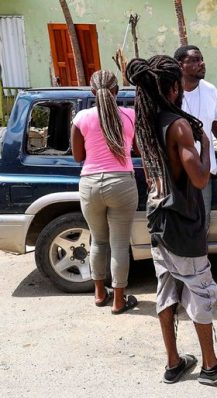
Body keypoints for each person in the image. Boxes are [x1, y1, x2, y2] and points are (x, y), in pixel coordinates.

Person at [126, 55, 217, 390]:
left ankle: (174, 361)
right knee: (201, 292)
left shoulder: (147, 121)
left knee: (166, 291)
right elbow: (198, 179)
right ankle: (210, 367)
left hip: (159, 219)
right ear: (172, 88)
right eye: (178, 83)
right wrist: (207, 143)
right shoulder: (178, 126)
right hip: (181, 223)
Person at [71, 69, 139, 315]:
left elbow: (78, 156)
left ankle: (100, 294)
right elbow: (138, 150)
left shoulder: (81, 118)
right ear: (117, 91)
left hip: (89, 183)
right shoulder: (129, 115)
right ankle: (119, 300)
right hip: (121, 182)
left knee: (98, 241)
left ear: (92, 91)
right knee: (120, 245)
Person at [174, 45, 217, 233]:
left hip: (204, 171)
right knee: (178, 225)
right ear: (180, 65)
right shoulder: (171, 92)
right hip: (176, 173)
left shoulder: (210, 90)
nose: (201, 63)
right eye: (195, 60)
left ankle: (200, 262)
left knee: (202, 224)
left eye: (201, 59)